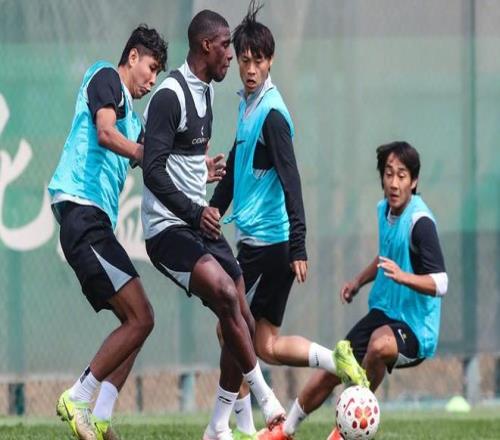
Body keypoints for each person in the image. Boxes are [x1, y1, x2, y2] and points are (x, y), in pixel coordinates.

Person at [209, 3, 368, 439]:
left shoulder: (273, 115)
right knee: (264, 344)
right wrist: (215, 208)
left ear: (271, 61)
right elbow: (238, 165)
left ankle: (234, 427)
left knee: (228, 330)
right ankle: (336, 360)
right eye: (244, 60)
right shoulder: (248, 105)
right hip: (260, 243)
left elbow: (292, 180)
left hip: (269, 246)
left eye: (258, 61)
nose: (251, 69)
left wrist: (299, 243)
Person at [141, 9, 286, 440]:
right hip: (167, 230)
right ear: (206, 46)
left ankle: (218, 425)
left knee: (241, 315)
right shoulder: (170, 95)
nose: (232, 56)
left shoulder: (206, 93)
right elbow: (152, 170)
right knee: (225, 293)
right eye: (226, 47)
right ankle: (265, 396)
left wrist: (201, 172)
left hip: (196, 224)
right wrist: (194, 210)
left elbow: (176, 161)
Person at [259, 141, 448, 440]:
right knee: (337, 363)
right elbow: (386, 256)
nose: (394, 183)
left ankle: (349, 424)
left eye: (402, 175)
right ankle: (285, 430)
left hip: (415, 329)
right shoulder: (384, 210)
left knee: (379, 344)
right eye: (388, 174)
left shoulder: (419, 222)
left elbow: (440, 282)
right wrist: (358, 281)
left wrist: (404, 277)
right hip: (384, 312)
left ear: (414, 181)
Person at [47, 25, 167, 440]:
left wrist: (198, 171)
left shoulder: (131, 120)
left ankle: (99, 417)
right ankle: (78, 397)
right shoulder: (106, 78)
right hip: (82, 214)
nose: (152, 80)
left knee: (139, 322)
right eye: (151, 68)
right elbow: (104, 131)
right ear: (132, 57)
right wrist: (142, 151)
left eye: (158, 73)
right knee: (141, 317)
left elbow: (153, 162)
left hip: (93, 222)